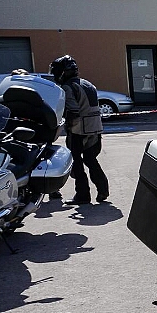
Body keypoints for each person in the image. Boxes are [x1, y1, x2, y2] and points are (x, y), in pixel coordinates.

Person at [49, 55, 108, 205]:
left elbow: (73, 110)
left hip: (78, 129)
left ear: (62, 72)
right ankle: (103, 190)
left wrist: (61, 119)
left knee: (77, 162)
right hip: (95, 128)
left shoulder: (68, 87)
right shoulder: (87, 83)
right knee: (90, 160)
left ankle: (83, 195)